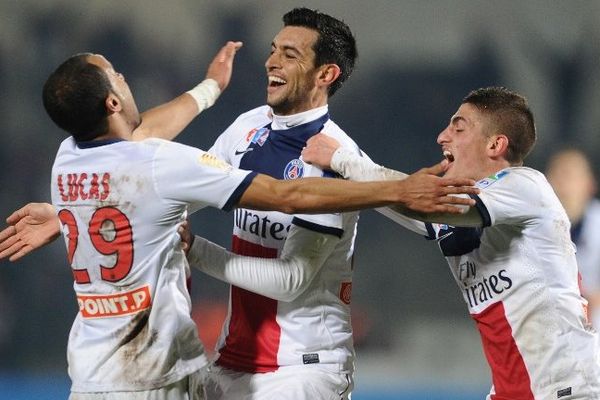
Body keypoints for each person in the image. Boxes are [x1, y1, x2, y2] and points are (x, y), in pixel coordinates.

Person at [0, 39, 479, 400]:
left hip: (87, 374)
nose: (124, 78)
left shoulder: (68, 157)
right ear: (111, 102)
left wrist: (210, 89)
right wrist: (396, 189)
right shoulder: (161, 163)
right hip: (153, 375)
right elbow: (287, 194)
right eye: (116, 76)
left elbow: (137, 135)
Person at [301, 87, 600, 399]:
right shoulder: (466, 207)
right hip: (513, 391)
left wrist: (343, 158)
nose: (442, 137)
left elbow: (427, 204)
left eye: (458, 128)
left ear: (496, 144)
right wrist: (348, 169)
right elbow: (412, 207)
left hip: (566, 387)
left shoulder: (526, 186)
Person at [546, 148, 600, 329]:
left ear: (590, 185)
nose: (562, 183)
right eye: (558, 174)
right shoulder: (526, 227)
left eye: (570, 175)